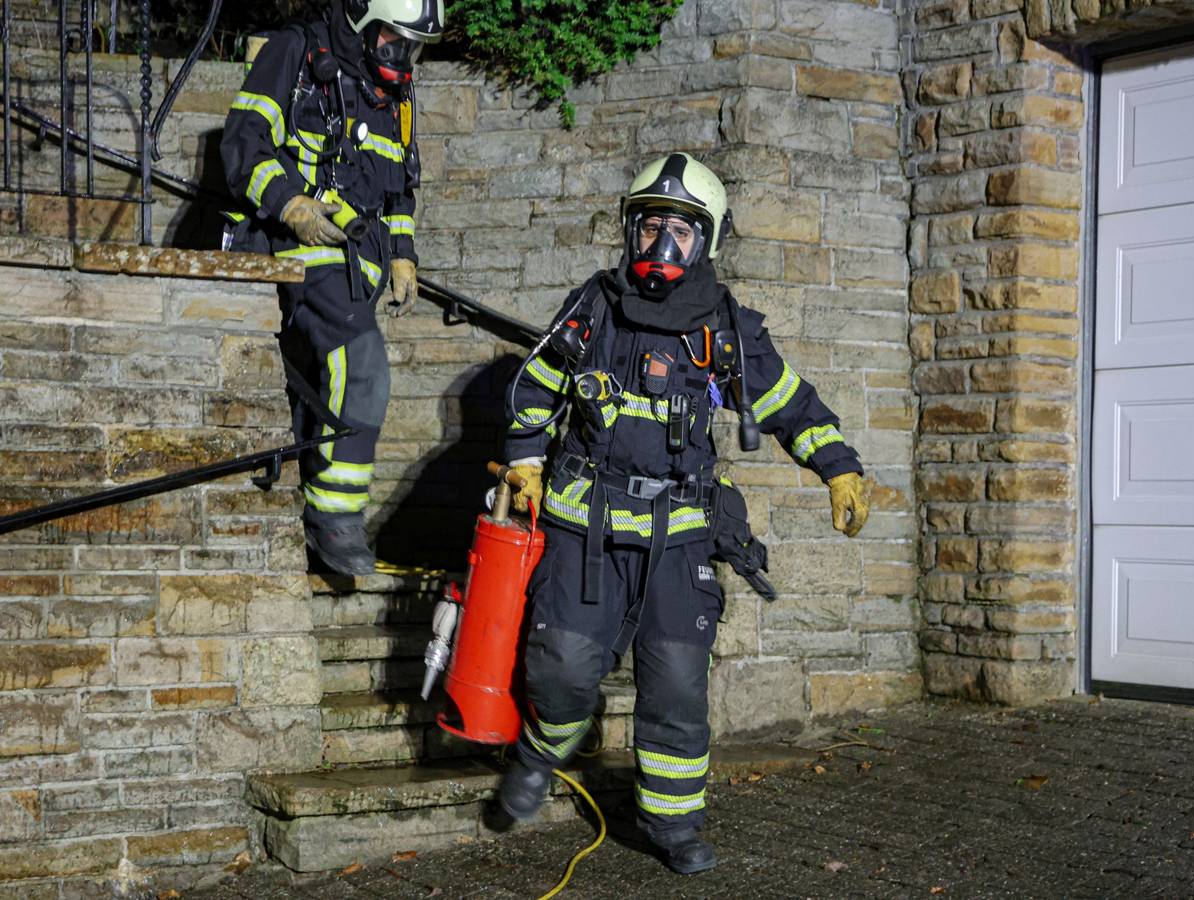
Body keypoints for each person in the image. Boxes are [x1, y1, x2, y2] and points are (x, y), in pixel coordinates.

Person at [496, 152, 870, 874]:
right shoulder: (594, 306)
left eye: (681, 231)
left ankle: (672, 825)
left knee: (675, 687)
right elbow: (534, 385)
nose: (662, 245)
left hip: (679, 539)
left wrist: (839, 466)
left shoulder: (724, 328)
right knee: (562, 667)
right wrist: (525, 460)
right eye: (650, 228)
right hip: (586, 526)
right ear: (629, 231)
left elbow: (788, 402)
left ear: (707, 241)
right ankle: (541, 754)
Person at [220, 0, 442, 574]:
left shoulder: (392, 92)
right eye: (395, 39)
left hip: (356, 269)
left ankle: (303, 526)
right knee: (361, 364)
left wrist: (403, 255)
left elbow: (398, 190)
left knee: (315, 397)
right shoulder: (295, 51)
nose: (404, 56)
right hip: (294, 249)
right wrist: (289, 204)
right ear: (364, 18)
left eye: (413, 46)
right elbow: (244, 142)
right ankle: (336, 518)